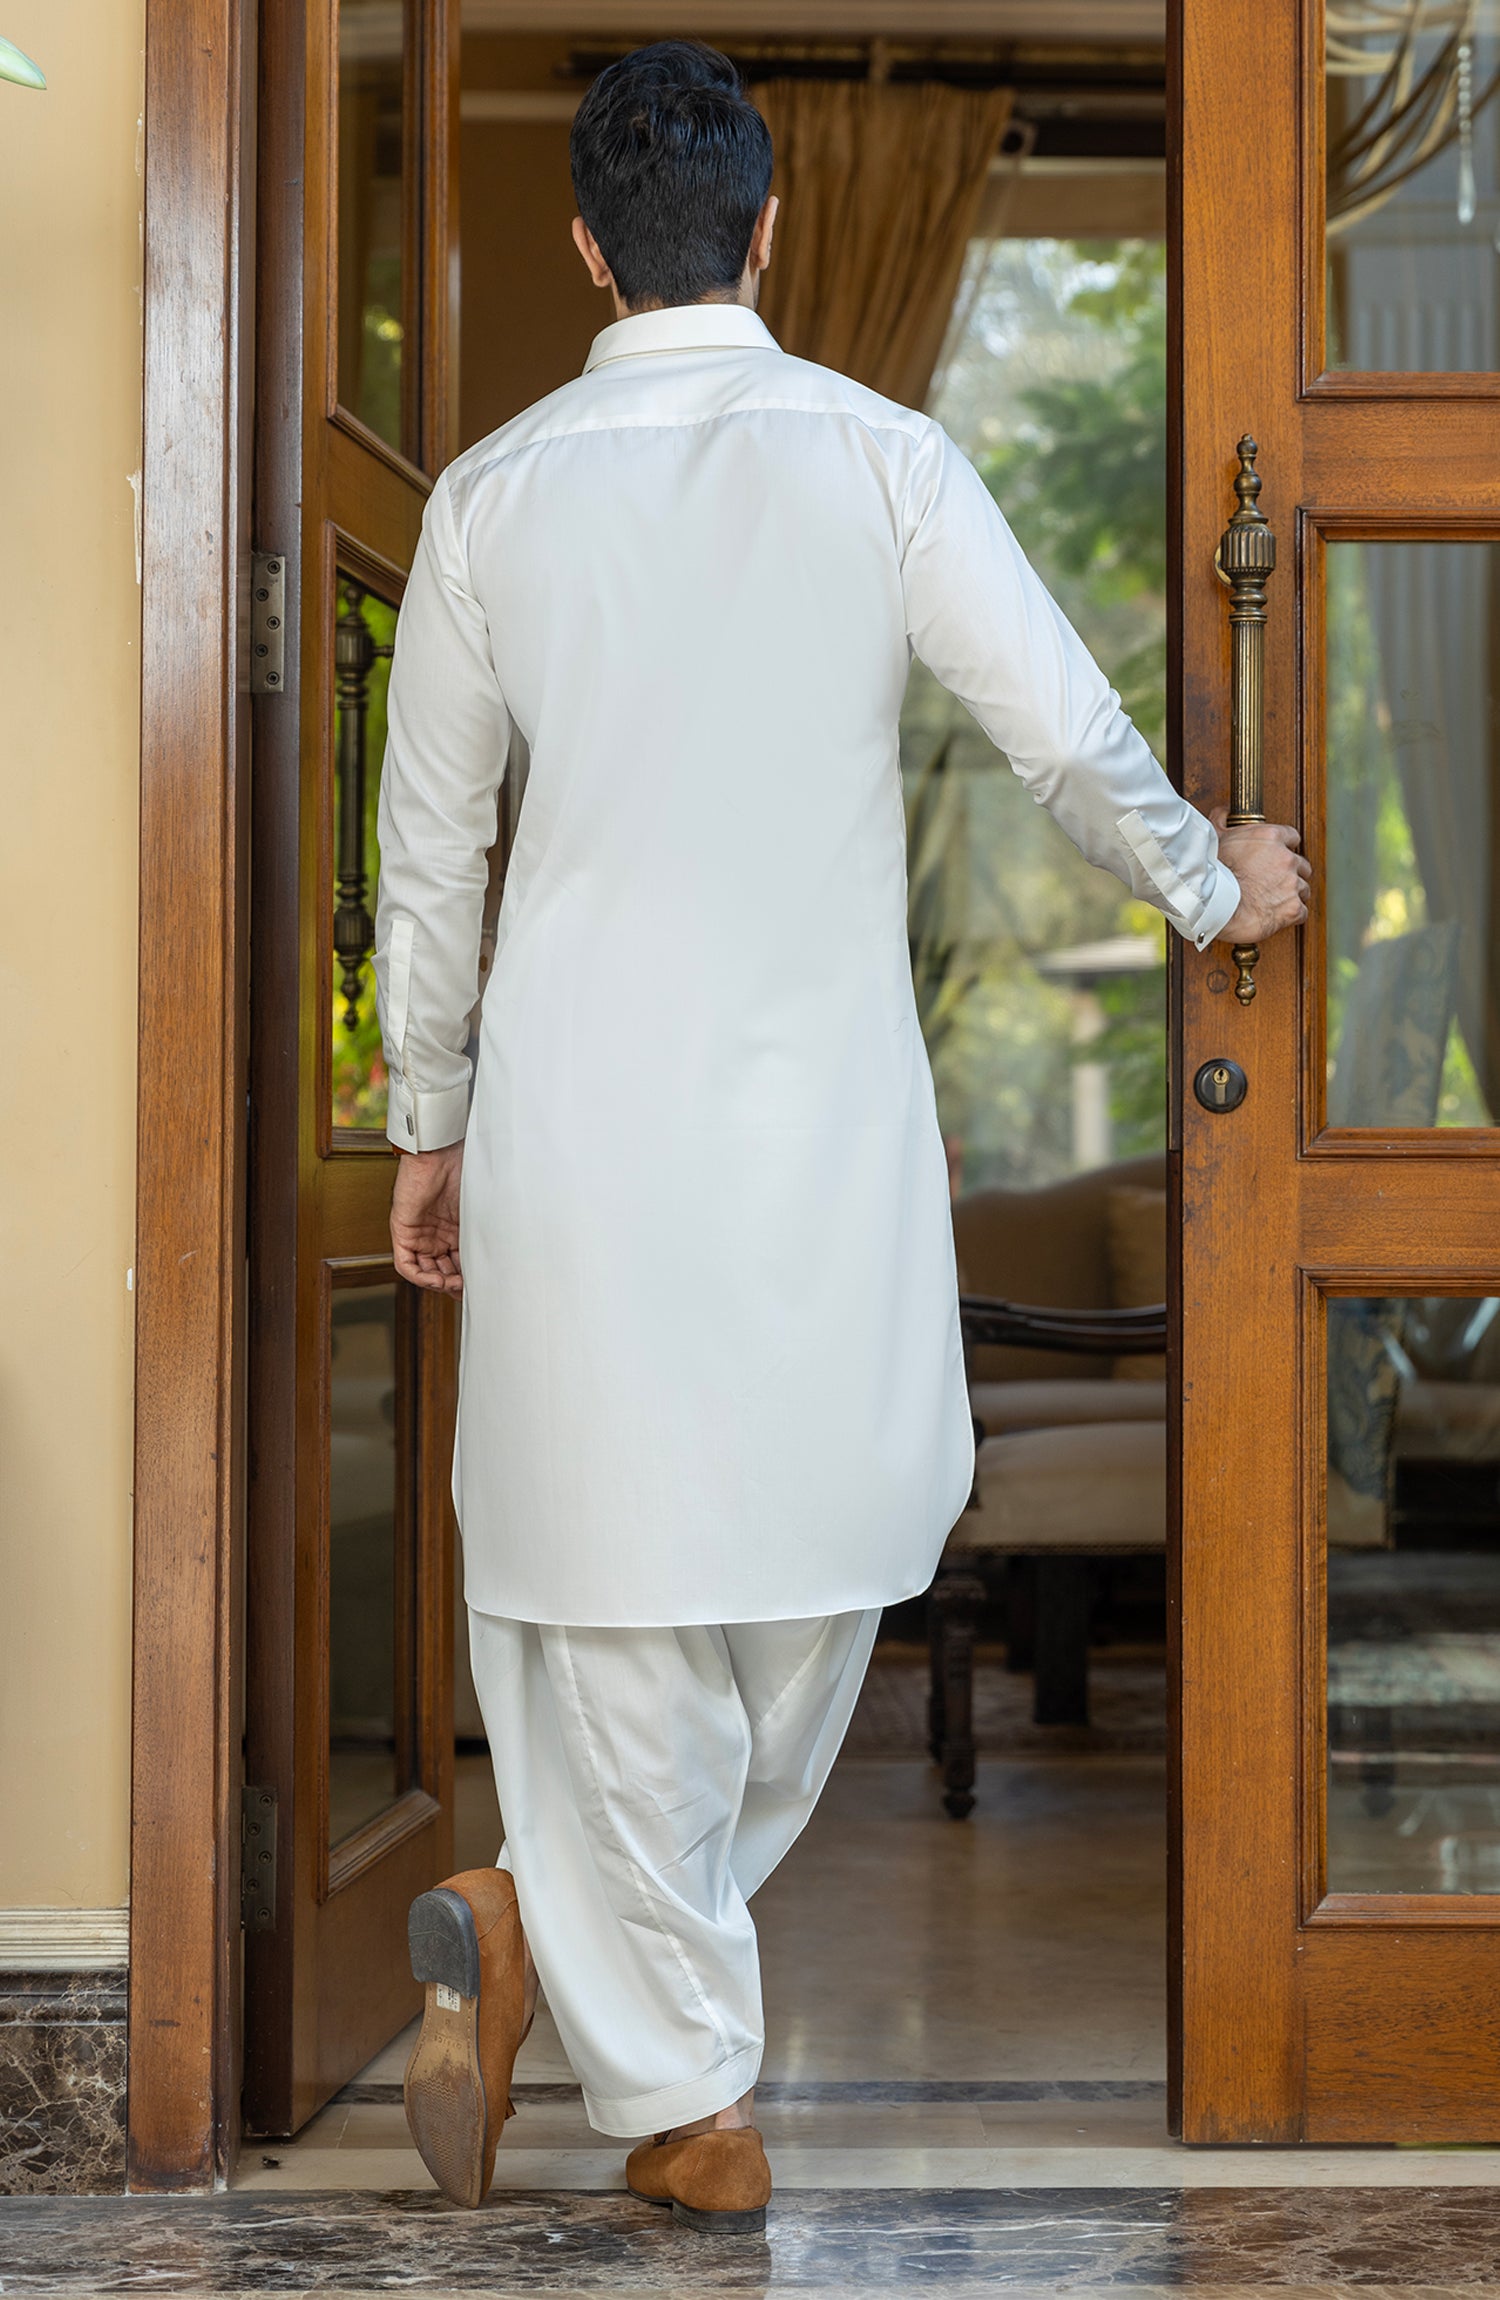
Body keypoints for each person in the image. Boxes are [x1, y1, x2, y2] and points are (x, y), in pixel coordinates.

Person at [374, 39, 1310, 2233]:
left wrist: (429, 1114)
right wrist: (1214, 882)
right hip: (820, 1130)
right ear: (771, 229)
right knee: (791, 1560)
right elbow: (1061, 726)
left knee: (661, 1584)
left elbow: (429, 843)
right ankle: (685, 2094)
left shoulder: (491, 497)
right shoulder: (885, 460)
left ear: (585, 245)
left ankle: (537, 1925)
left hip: (578, 1121)